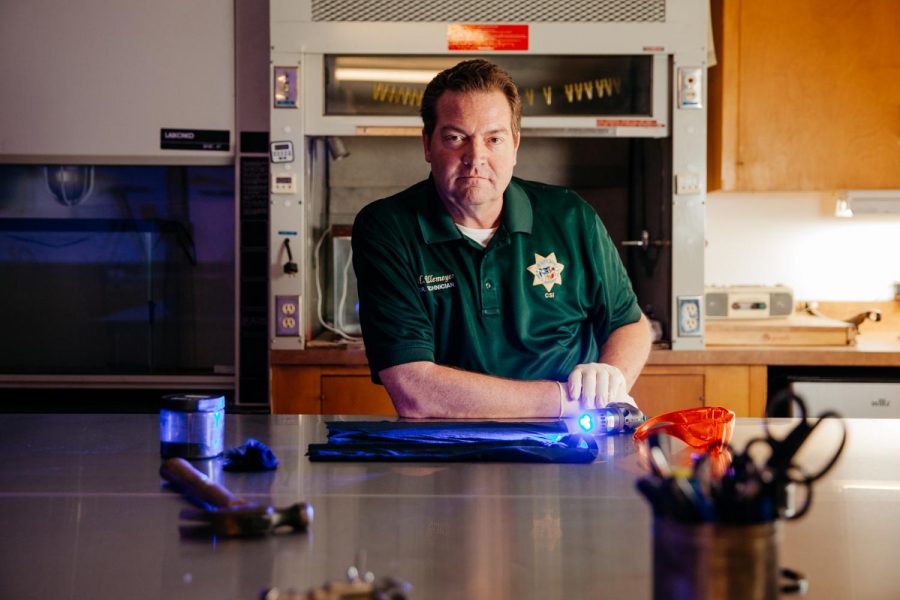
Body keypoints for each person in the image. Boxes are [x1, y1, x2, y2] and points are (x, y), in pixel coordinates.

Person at [351, 58, 652, 419]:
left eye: (493, 138)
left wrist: (611, 379)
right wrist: (564, 401)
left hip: (573, 447)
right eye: (455, 137)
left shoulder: (571, 216)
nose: (475, 157)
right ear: (428, 146)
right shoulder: (388, 228)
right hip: (452, 453)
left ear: (515, 146)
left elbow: (629, 322)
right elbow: (416, 392)